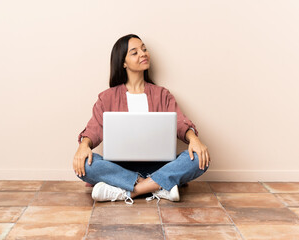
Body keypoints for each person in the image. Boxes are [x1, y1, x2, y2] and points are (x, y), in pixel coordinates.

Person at [73, 34, 210, 204]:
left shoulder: (162, 94)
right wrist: (83, 146)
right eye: (134, 52)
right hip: (119, 167)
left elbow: (180, 123)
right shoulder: (107, 97)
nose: (143, 54)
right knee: (85, 164)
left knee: (198, 159)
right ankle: (158, 187)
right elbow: (94, 128)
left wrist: (194, 139)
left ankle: (126, 191)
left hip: (159, 165)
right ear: (123, 62)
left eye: (144, 49)